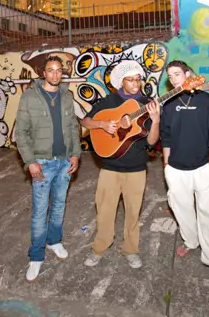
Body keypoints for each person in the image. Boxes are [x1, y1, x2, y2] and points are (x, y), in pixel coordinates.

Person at [80, 60, 160, 269]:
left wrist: (156, 120)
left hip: (137, 167)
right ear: (121, 82)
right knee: (104, 211)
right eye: (130, 80)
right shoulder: (109, 101)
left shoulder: (147, 103)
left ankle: (131, 250)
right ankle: (99, 248)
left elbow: (151, 141)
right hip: (110, 167)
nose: (135, 83)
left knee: (133, 213)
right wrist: (103, 124)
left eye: (138, 79)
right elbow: (85, 122)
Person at [161, 60, 209, 276]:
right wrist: (166, 163)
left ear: (188, 74)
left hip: (203, 167)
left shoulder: (206, 101)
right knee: (182, 210)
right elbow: (165, 136)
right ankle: (190, 241)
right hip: (175, 168)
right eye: (170, 76)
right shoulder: (168, 104)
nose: (174, 79)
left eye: (177, 74)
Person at [14, 55, 82, 282]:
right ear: (43, 72)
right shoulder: (30, 97)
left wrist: (76, 154)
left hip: (64, 161)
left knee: (59, 205)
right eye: (50, 70)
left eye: (58, 70)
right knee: (40, 211)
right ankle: (36, 256)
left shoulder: (66, 96)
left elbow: (73, 127)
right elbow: (20, 133)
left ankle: (54, 241)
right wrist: (30, 161)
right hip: (42, 163)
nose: (55, 74)